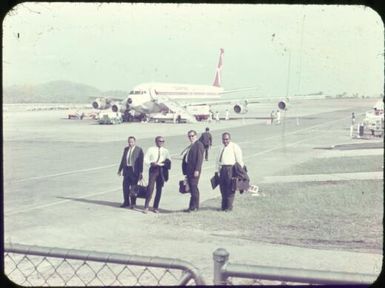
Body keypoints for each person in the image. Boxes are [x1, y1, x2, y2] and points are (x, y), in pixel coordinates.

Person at [216, 132, 244, 211]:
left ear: (230, 139)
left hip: (231, 169)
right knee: (223, 188)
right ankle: (223, 206)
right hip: (222, 170)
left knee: (230, 189)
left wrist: (238, 173)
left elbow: (239, 161)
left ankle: (229, 207)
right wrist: (217, 171)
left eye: (227, 139)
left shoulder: (235, 147)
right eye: (224, 139)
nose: (225, 141)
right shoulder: (221, 148)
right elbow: (217, 160)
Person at [143, 136, 171, 214]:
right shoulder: (151, 149)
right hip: (153, 169)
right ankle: (146, 206)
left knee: (159, 189)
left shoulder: (166, 151)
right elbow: (145, 159)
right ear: (156, 142)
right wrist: (151, 163)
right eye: (159, 141)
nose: (161, 143)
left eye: (163, 141)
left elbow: (169, 160)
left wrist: (165, 163)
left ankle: (155, 207)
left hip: (161, 170)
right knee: (150, 188)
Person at [117, 136, 144, 209]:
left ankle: (133, 203)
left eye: (131, 142)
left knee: (133, 188)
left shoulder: (139, 150)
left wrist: (141, 172)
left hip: (134, 172)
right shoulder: (126, 149)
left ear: (135, 142)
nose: (130, 143)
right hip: (126, 171)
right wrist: (120, 170)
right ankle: (126, 202)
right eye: (129, 142)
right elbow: (123, 160)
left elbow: (141, 162)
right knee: (125, 187)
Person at [181, 130, 205, 212]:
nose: (191, 137)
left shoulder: (199, 145)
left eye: (192, 135)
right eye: (189, 136)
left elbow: (200, 158)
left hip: (194, 170)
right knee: (191, 188)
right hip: (189, 170)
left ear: (196, 135)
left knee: (194, 188)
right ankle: (191, 207)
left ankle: (195, 207)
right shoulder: (191, 145)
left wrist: (197, 170)